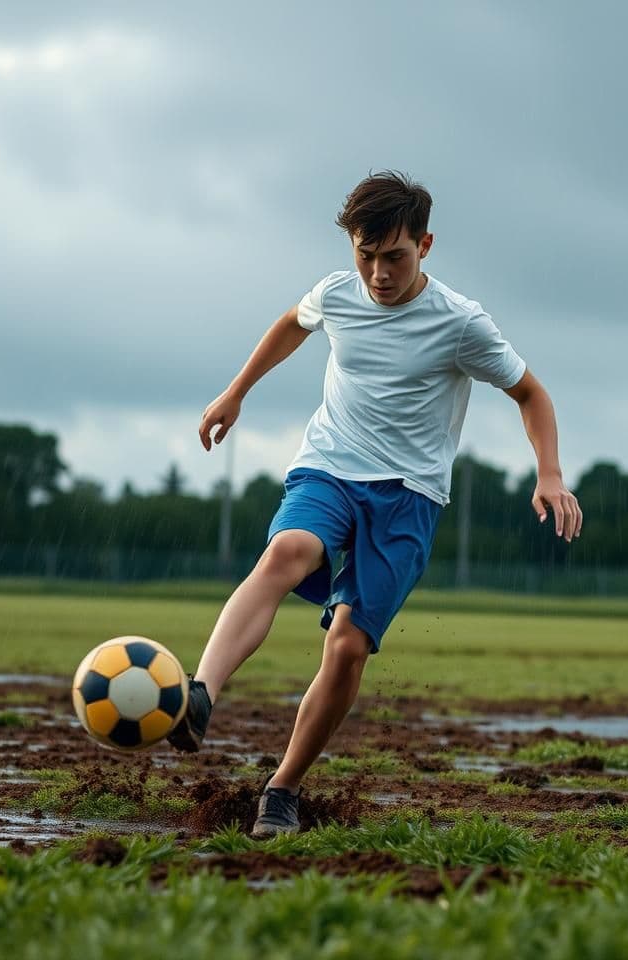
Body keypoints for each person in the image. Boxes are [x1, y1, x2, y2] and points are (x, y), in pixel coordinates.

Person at [168, 170, 582, 837]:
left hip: (409, 497)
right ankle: (200, 694)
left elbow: (532, 394)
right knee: (288, 551)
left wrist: (550, 474)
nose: (379, 273)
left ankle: (283, 789)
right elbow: (291, 324)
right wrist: (236, 389)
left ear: (426, 245)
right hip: (329, 468)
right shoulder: (338, 293)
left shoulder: (461, 322)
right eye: (366, 255)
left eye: (395, 257)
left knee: (348, 646)